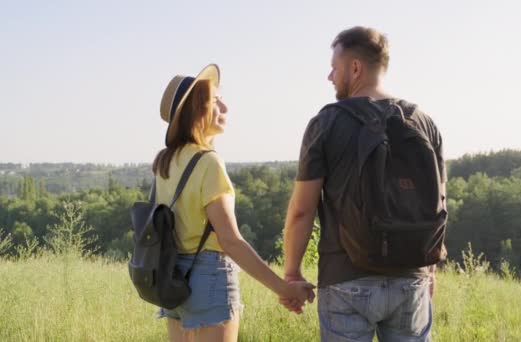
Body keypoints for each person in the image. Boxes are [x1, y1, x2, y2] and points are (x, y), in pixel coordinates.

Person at [281, 27, 447, 341]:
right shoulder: (424, 123)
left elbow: (302, 210)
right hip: (412, 277)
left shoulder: (326, 123)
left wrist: (291, 273)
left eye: (334, 66)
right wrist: (430, 269)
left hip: (345, 279)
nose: (330, 76)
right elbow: (438, 203)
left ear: (355, 68)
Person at [154, 64, 314, 342]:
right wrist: (283, 289)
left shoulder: (166, 162)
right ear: (198, 109)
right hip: (209, 279)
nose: (225, 107)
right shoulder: (208, 163)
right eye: (216, 101)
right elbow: (231, 241)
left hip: (173, 278)